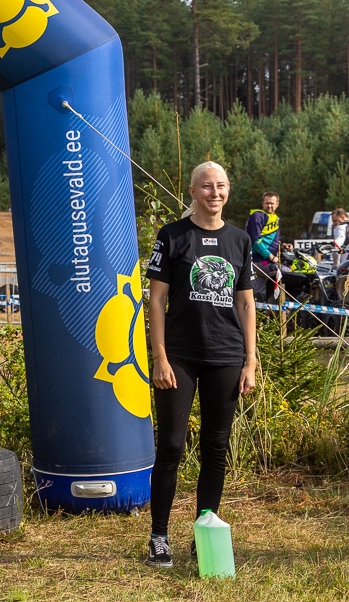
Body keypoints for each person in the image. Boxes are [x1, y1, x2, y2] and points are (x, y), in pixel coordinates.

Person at [144, 161, 257, 568]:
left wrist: (250, 360)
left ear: (228, 190)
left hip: (226, 356)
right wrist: (159, 357)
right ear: (193, 192)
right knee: (171, 445)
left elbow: (246, 304)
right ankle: (159, 536)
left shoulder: (240, 239)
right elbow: (156, 300)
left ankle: (204, 531)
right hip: (179, 356)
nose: (215, 193)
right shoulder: (173, 235)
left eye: (221, 186)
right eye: (207, 186)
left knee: (215, 447)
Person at [245, 192, 283, 300]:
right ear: (263, 203)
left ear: (277, 204)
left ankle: (266, 307)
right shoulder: (257, 216)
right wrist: (271, 257)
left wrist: (284, 245)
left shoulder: (275, 218)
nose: (269, 206)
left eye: (272, 203)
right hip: (261, 261)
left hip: (267, 261)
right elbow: (256, 241)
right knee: (288, 273)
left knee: (259, 295)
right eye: (267, 203)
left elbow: (276, 240)